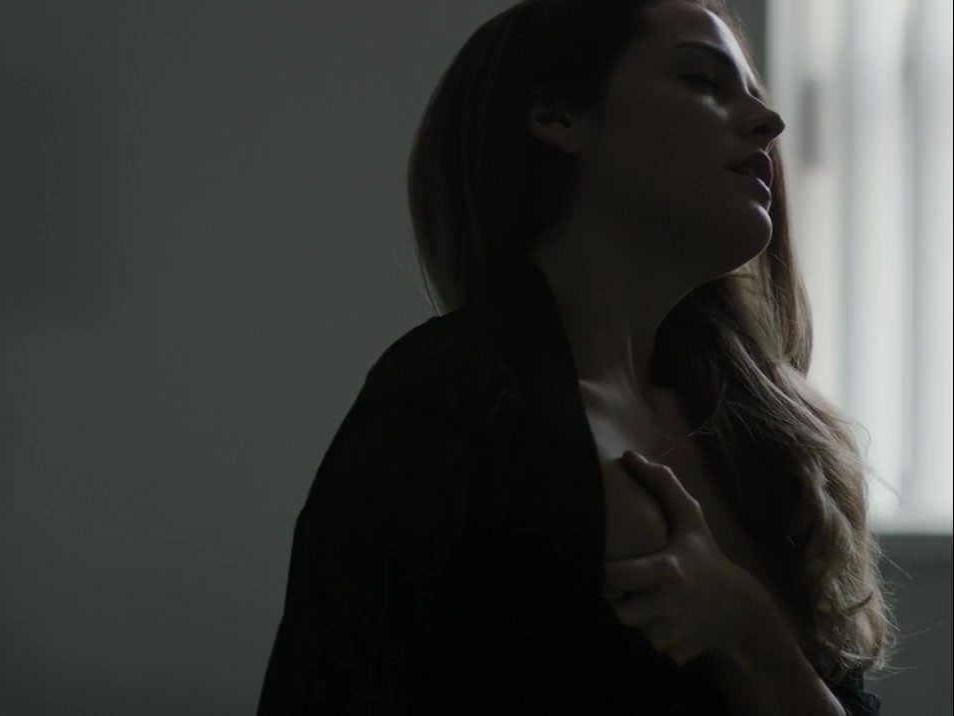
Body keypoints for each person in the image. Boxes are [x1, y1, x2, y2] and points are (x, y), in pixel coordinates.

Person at [256, 0, 896, 713]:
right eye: (702, 80)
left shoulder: (771, 443)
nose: (768, 122)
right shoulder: (453, 398)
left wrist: (748, 629)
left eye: (755, 93)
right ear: (558, 115)